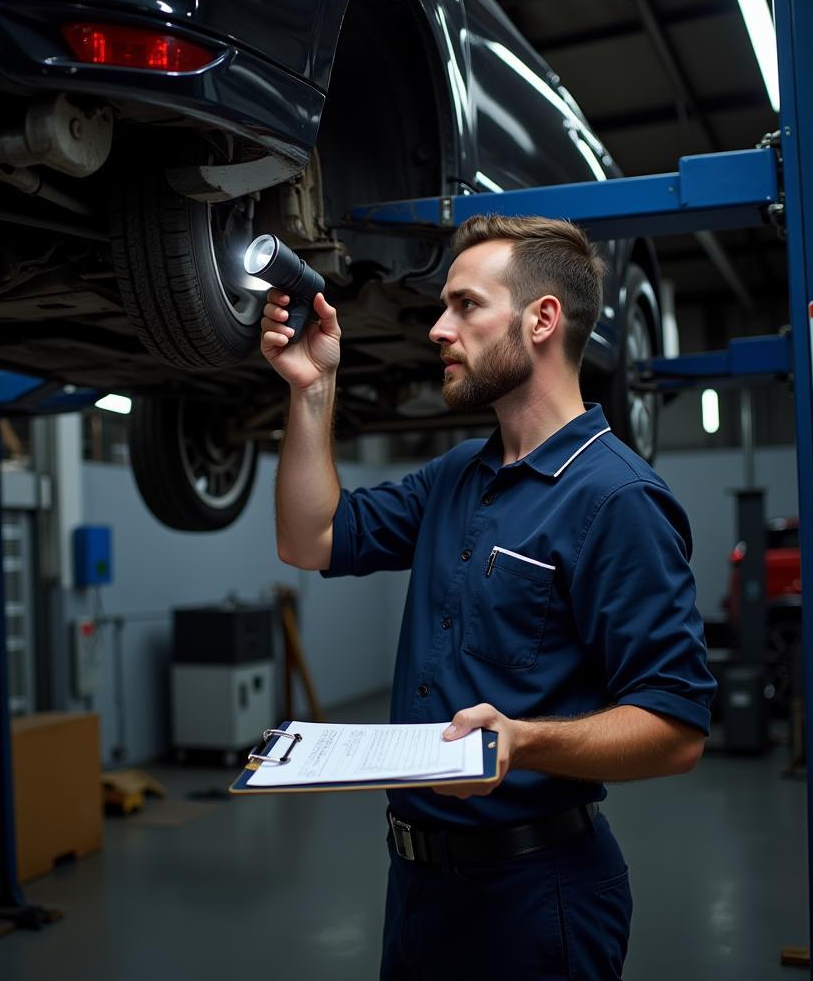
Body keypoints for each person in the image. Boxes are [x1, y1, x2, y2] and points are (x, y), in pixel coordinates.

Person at [260, 214, 717, 981]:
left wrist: (524, 741)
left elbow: (677, 728)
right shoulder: (456, 476)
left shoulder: (617, 499)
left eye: (466, 305)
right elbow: (311, 539)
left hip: (535, 896)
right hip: (417, 886)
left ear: (542, 319)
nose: (439, 329)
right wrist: (313, 389)